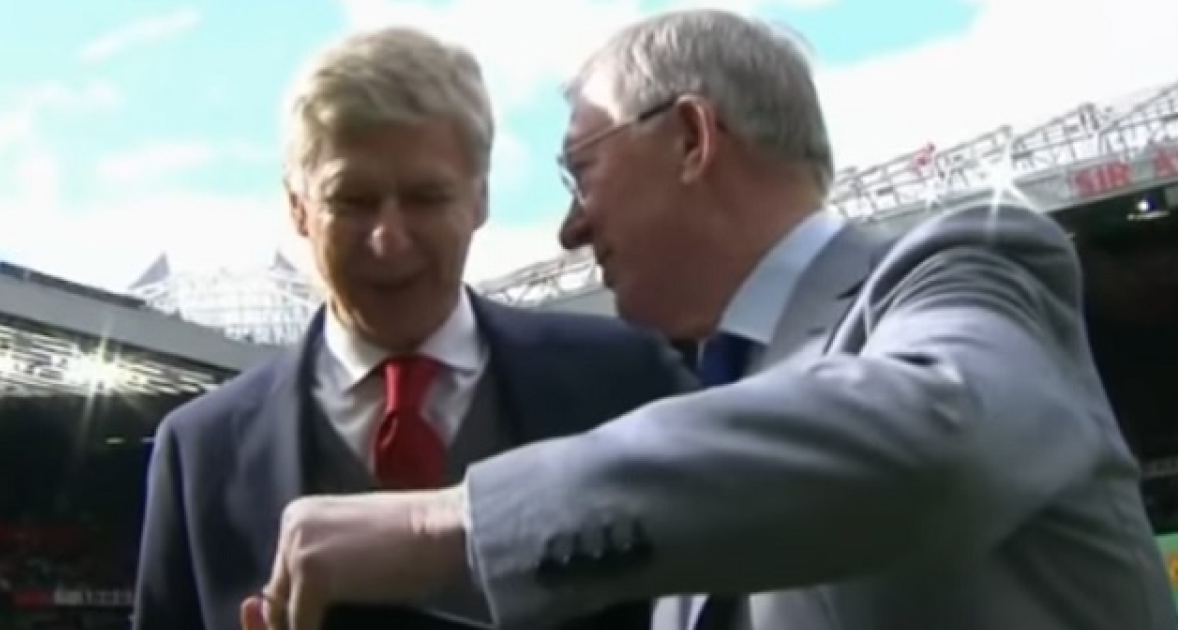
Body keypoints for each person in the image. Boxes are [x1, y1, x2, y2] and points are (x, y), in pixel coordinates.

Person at [239, 9, 1178, 630]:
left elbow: (942, 443)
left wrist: (442, 521)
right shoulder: (703, 400)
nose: (570, 229)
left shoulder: (969, 269)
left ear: (690, 138)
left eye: (581, 172)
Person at [132, 26, 692, 630]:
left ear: (480, 199)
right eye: (352, 201)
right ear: (297, 207)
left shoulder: (627, 383)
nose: (389, 239)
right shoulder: (200, 453)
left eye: (426, 198)